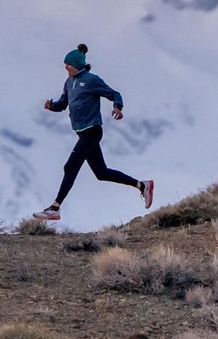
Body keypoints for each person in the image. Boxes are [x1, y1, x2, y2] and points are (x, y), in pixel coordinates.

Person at [34, 43, 153, 221]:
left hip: (92, 131)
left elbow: (114, 94)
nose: (66, 67)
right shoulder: (68, 82)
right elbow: (63, 104)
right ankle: (142, 186)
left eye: (68, 65)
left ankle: (55, 208)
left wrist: (118, 107)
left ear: (77, 65)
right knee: (101, 173)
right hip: (82, 133)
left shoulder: (91, 80)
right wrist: (52, 106)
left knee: (70, 166)